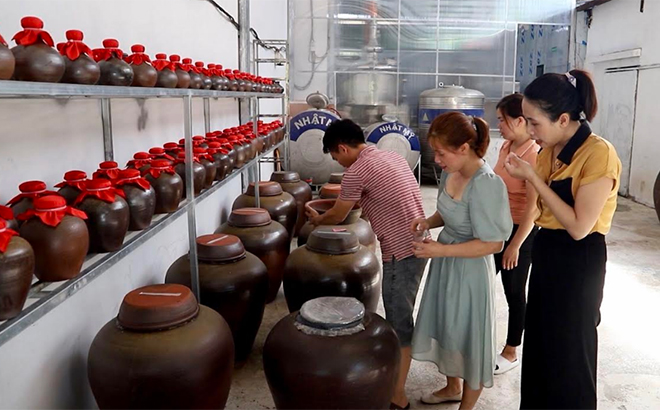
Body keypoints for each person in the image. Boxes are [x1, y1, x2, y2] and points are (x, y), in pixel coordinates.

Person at [504, 70, 621, 409]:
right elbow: (539, 211)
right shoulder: (548, 150)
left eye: (534, 122)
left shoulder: (598, 153)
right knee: (541, 343)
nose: (529, 131)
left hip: (579, 258)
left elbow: (579, 226)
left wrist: (532, 179)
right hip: (548, 250)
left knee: (571, 350)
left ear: (564, 119)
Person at [307, 118, 428, 410]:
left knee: (399, 322)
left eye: (336, 157)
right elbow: (366, 200)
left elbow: (337, 215)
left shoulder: (356, 171)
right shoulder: (391, 156)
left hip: (402, 251)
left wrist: (316, 218)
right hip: (421, 243)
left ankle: (398, 397)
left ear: (343, 147)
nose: (340, 164)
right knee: (401, 314)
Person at [410, 112, 513, 410]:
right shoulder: (449, 172)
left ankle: (466, 406)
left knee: (468, 335)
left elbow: (493, 242)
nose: (438, 159)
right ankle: (452, 386)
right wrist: (428, 222)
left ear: (464, 148)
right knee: (447, 326)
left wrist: (440, 251)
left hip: (469, 270)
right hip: (446, 262)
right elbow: (450, 211)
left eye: (442, 153)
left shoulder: (487, 183)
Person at [492, 93, 540, 375]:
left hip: (521, 231)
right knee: (484, 281)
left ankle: (511, 351)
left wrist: (516, 246)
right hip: (498, 227)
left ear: (520, 120)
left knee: (514, 290)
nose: (499, 125)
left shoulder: (533, 154)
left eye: (503, 120)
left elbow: (533, 210)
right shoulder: (507, 146)